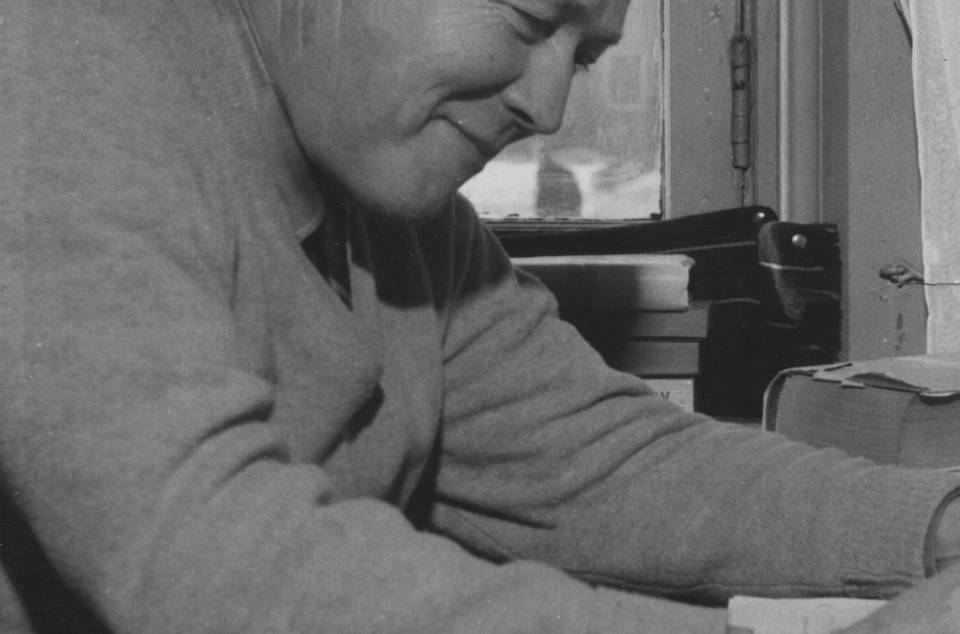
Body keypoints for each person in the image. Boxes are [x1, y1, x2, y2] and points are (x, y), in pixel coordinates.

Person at [2, 1, 960, 632]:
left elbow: (600, 466)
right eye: (527, 16)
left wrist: (937, 527)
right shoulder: (49, 76)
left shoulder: (395, 210)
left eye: (583, 55)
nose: (547, 107)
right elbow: (212, 562)